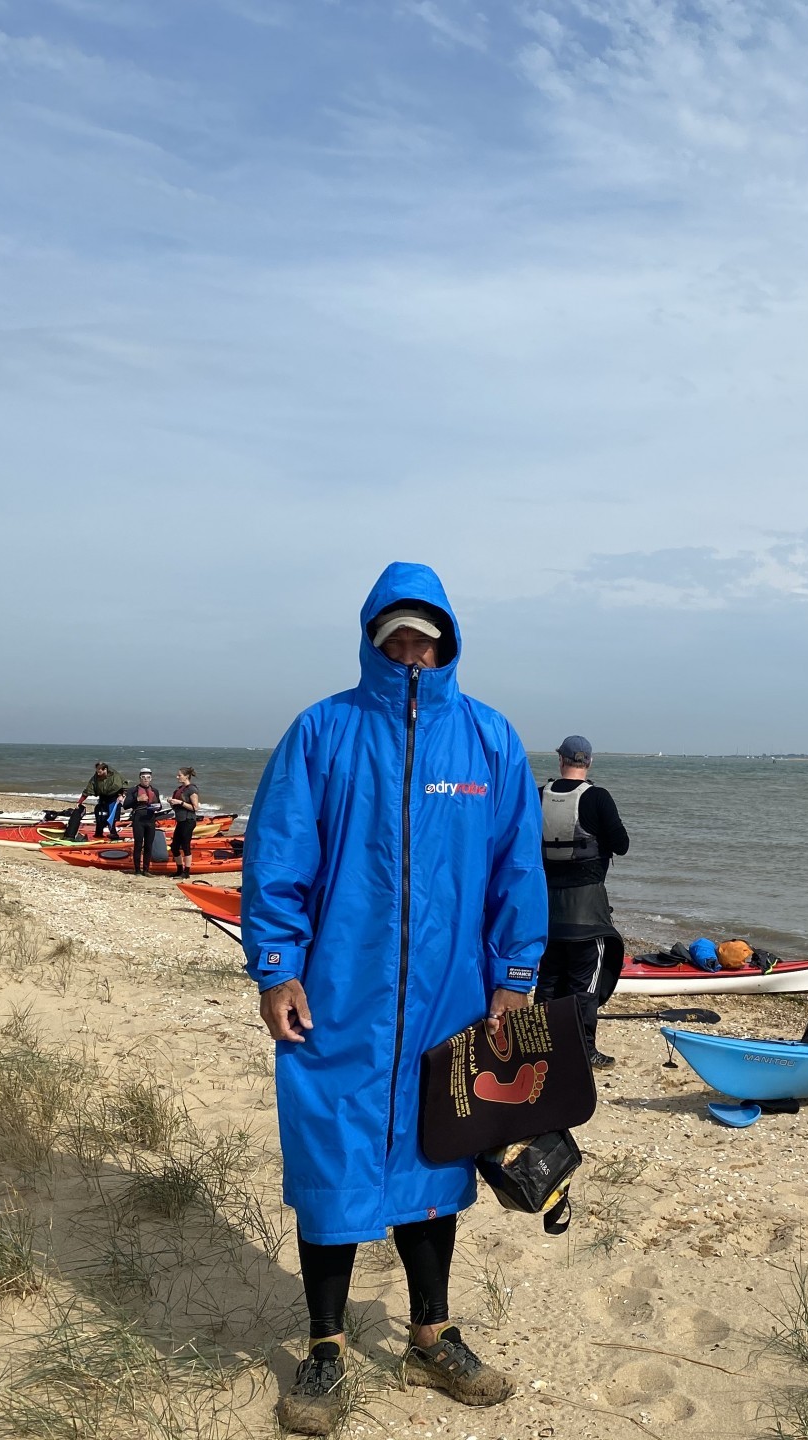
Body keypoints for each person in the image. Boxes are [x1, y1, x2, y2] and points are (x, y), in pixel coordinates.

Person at [243, 562, 547, 1435]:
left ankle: (431, 1334)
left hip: (448, 1005)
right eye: (394, 637)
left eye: (425, 635)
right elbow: (279, 859)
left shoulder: (489, 741)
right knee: (331, 1167)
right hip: (335, 1001)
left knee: (436, 1163)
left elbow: (515, 872)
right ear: (375, 641)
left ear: (448, 641)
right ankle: (328, 1347)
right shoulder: (323, 732)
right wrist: (276, 967)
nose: (411, 649)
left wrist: (512, 981)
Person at [535, 735, 630, 1068]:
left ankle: (540, 1046)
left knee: (547, 980)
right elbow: (621, 845)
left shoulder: (538, 795)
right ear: (588, 762)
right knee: (584, 986)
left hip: (545, 910)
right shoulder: (598, 797)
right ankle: (583, 1049)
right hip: (587, 912)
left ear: (559, 759)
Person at [127, 768, 165, 875]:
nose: (145, 779)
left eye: (148, 777)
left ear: (151, 779)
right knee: (138, 844)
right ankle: (137, 870)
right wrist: (137, 800)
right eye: (143, 777)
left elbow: (160, 806)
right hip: (138, 819)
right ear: (139, 778)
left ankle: (146, 870)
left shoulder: (155, 791)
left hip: (150, 819)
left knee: (149, 845)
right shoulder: (133, 790)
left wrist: (157, 807)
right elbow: (125, 805)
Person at [78, 761, 127, 839]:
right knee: (100, 816)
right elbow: (88, 790)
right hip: (103, 798)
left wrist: (122, 795)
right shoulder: (95, 778)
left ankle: (113, 834)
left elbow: (124, 786)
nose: (98, 774)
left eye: (100, 772)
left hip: (113, 799)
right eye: (97, 772)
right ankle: (98, 833)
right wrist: (80, 802)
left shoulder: (115, 776)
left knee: (111, 818)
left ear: (105, 770)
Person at [169, 767, 200, 878]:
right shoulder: (178, 789)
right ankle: (179, 869)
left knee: (185, 846)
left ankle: (186, 872)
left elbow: (195, 807)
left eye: (179, 775)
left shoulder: (192, 789)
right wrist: (172, 802)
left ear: (186, 776)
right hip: (180, 820)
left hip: (189, 820)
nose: (177, 777)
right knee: (174, 846)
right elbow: (176, 808)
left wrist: (180, 802)